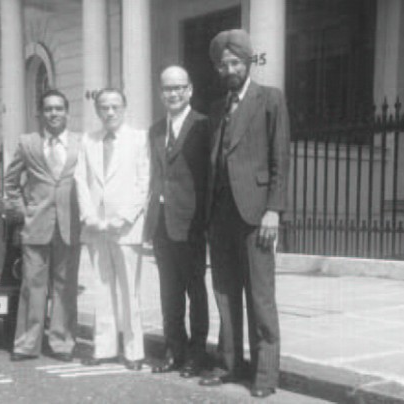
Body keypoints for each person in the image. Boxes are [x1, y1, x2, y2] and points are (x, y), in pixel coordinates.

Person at [198, 29, 290, 398]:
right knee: (225, 292)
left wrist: (274, 211)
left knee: (260, 296)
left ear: (247, 62)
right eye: (224, 64)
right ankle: (228, 363)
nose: (229, 69)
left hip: (256, 214)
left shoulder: (270, 99)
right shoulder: (218, 108)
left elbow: (280, 159)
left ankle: (265, 376)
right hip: (220, 215)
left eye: (235, 62)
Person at [74, 88, 150, 371]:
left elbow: (145, 182)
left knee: (130, 291)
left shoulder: (139, 139)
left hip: (126, 228)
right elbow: (80, 180)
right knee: (103, 288)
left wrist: (124, 217)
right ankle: (104, 348)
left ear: (125, 107)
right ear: (97, 111)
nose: (109, 112)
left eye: (115, 106)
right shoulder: (88, 140)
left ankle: (133, 351)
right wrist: (89, 216)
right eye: (104, 107)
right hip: (96, 227)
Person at [4, 89, 82, 362]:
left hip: (69, 225)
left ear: (67, 112)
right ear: (40, 114)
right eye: (48, 109)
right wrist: (23, 212)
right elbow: (11, 183)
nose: (53, 113)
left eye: (59, 108)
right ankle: (27, 344)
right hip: (36, 225)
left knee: (65, 287)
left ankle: (62, 343)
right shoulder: (28, 143)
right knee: (32, 287)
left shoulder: (79, 143)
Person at [145, 66, 209, 378]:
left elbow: (208, 177)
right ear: (161, 93)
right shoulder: (155, 130)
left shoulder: (203, 126)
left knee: (195, 291)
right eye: (167, 88)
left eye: (179, 88)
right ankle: (174, 351)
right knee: (169, 292)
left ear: (190, 90)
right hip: (161, 224)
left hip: (191, 222)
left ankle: (197, 356)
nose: (173, 93)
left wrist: (205, 221)